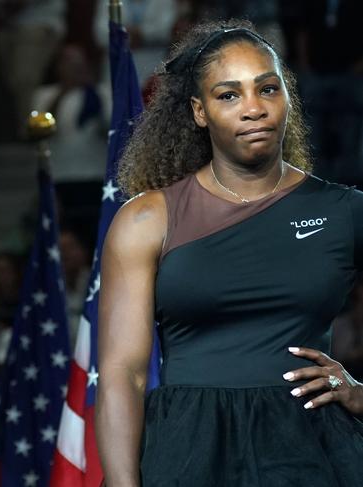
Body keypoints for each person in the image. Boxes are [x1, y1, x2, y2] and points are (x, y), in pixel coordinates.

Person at [96, 20, 363, 487]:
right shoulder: (147, 220)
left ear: (286, 97)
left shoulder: (345, 211)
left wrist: (361, 393)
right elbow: (124, 375)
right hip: (186, 451)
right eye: (229, 95)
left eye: (267, 88)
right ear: (199, 112)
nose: (253, 108)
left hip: (311, 451)